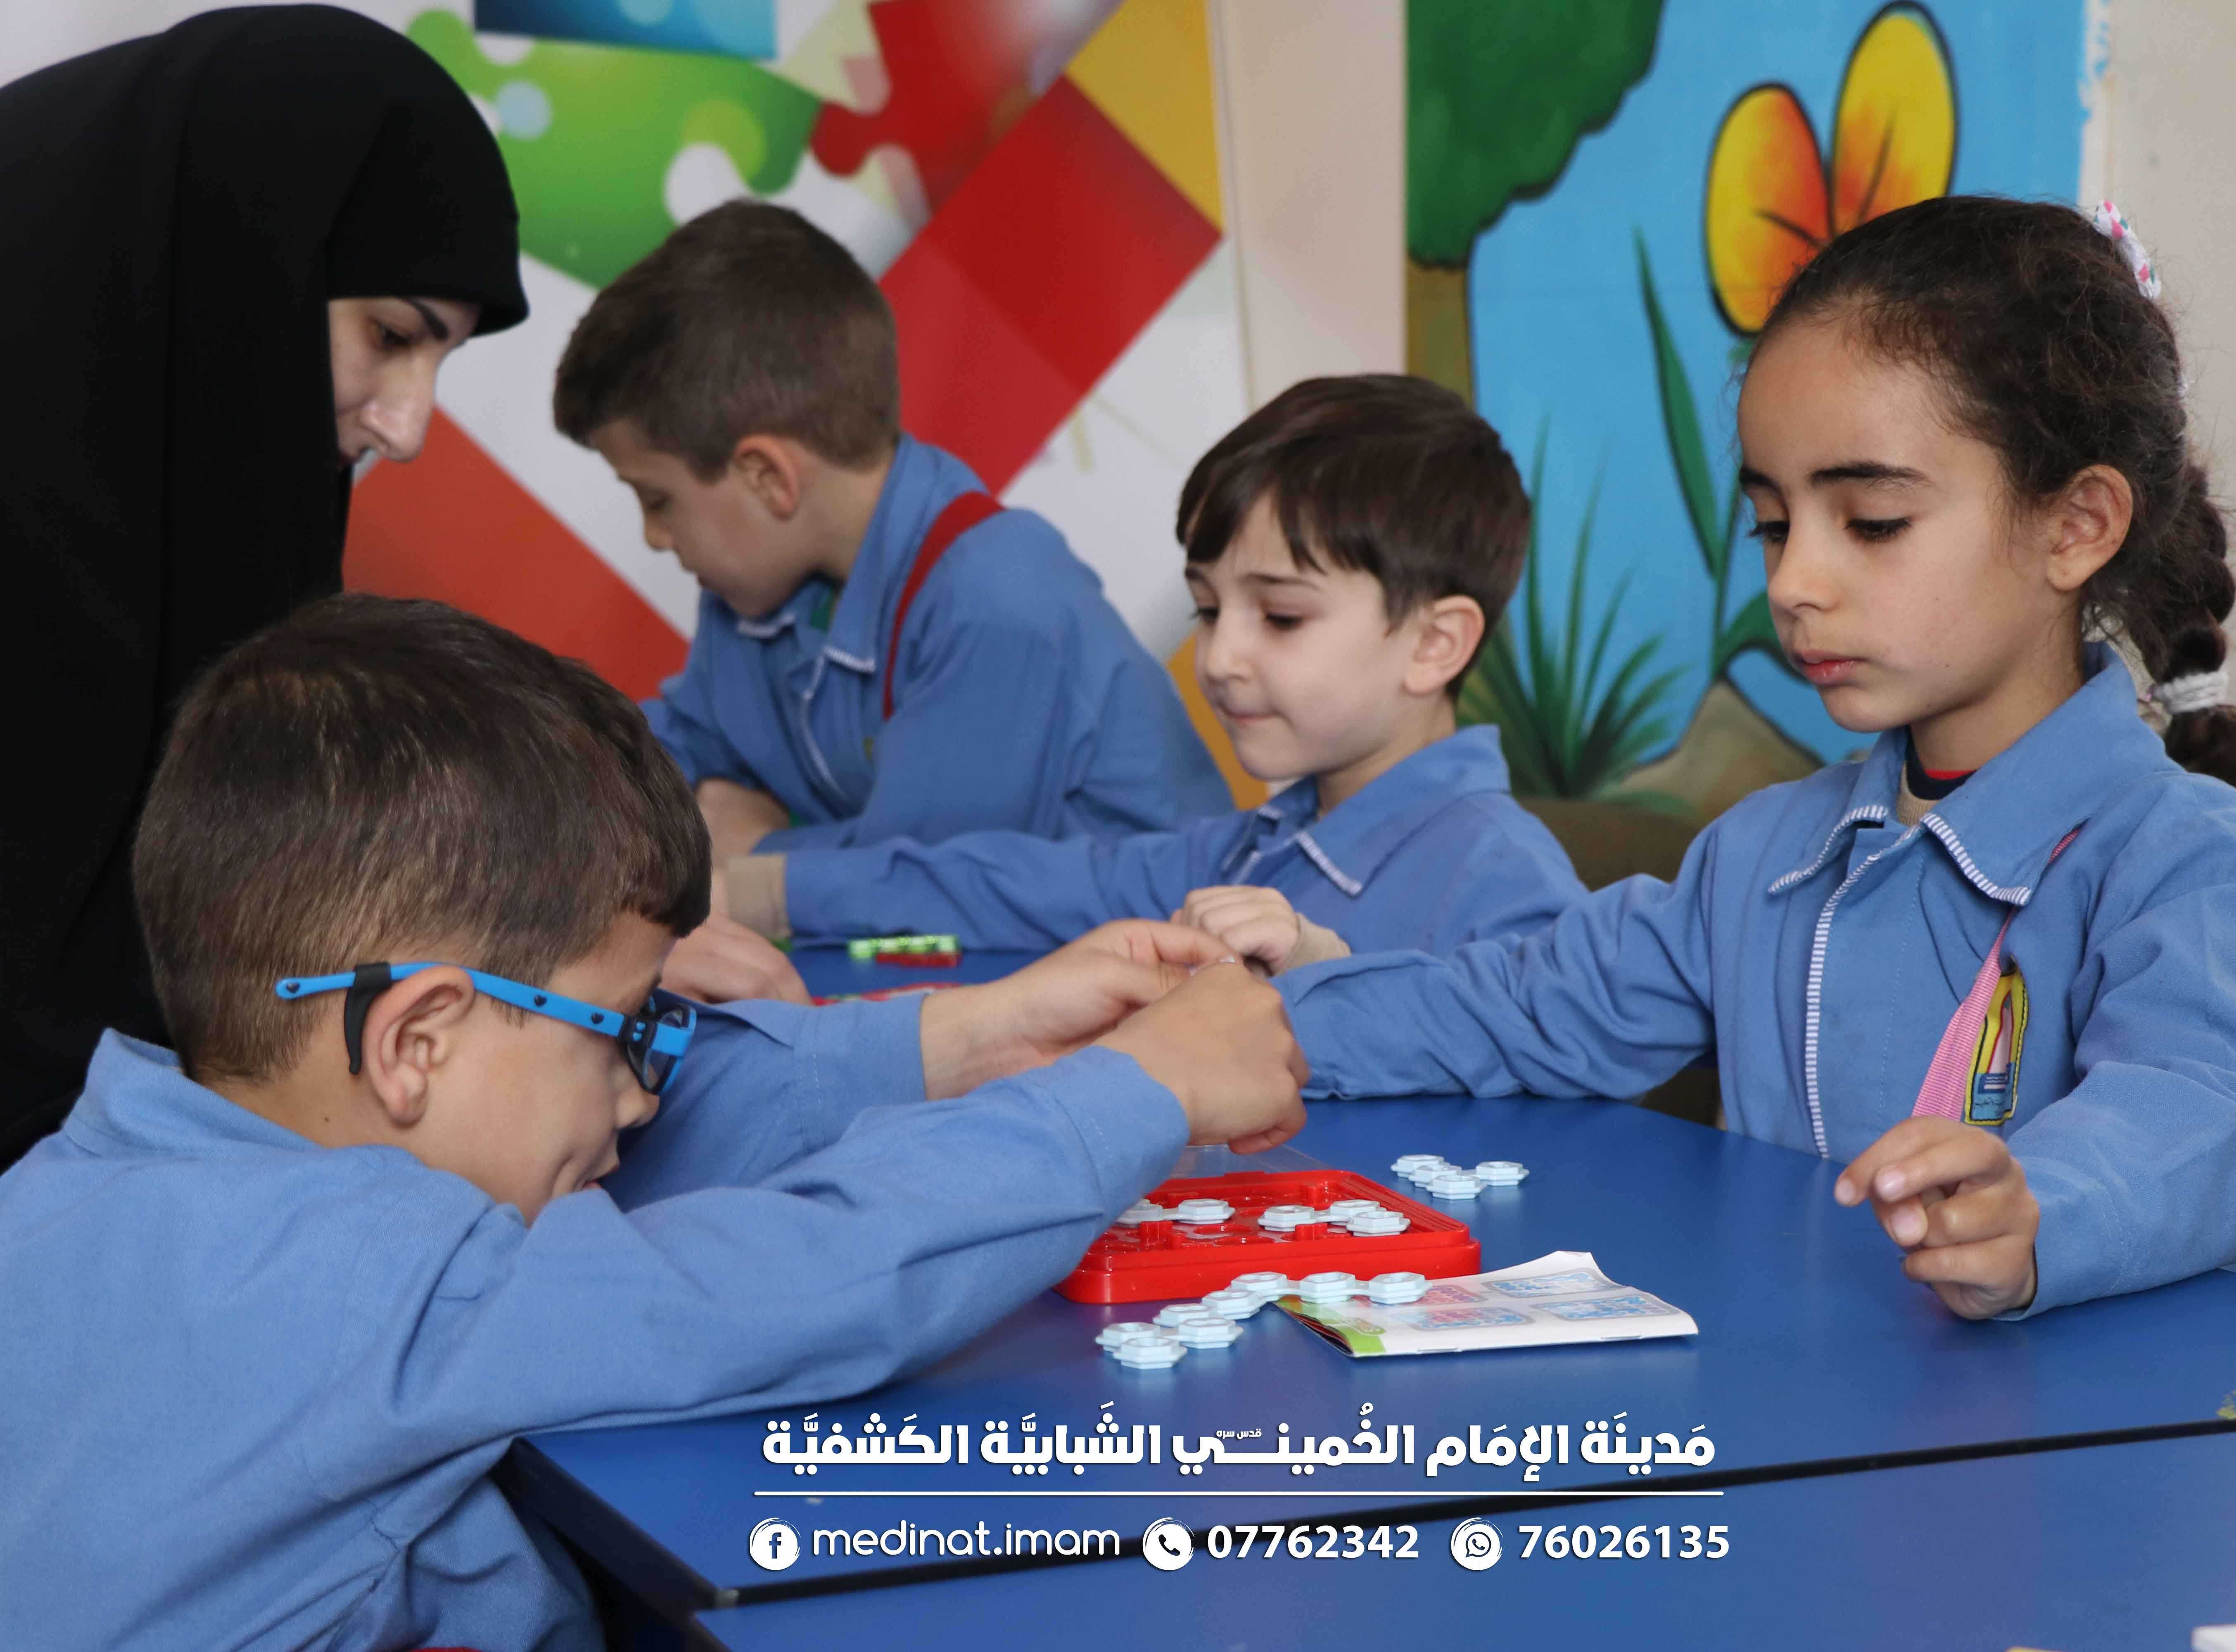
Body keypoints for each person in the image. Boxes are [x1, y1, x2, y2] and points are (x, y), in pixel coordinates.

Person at [0, 595, 1303, 1651]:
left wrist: (963, 1040)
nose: (640, 1094)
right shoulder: (362, 1289)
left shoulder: (84, 1180)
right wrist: (1140, 1090)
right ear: (415, 1043)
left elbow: (633, 1138)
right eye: (625, 1029)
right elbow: (786, 1281)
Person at [1276, 197, 2236, 1320]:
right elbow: (1524, 1006)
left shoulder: (2195, 856)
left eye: (1870, 521)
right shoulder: (1763, 856)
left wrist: (2037, 1211)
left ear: (2076, 526)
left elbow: (2206, 1119)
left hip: (2103, 1425)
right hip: (1821, 1399)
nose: (1793, 583)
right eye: (1774, 526)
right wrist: (1273, 1025)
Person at [0, 5, 527, 1170]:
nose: (409, 426)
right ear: (243, 264)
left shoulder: (184, 517)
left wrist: (558, 951)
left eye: (440, 357)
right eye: (392, 334)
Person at [707, 375, 1588, 973]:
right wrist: (759, 890)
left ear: (1436, 644)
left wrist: (1329, 977)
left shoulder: (1502, 875)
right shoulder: (1241, 851)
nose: (1221, 659)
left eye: (1281, 617)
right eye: (1208, 609)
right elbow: (1009, 885)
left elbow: (1569, 1060)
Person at [551, 200, 1230, 894]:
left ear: (768, 478)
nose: (655, 537)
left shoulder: (1000, 600)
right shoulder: (754, 590)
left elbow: (914, 888)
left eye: (657, 499)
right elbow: (687, 743)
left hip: (1160, 945)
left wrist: (750, 855)